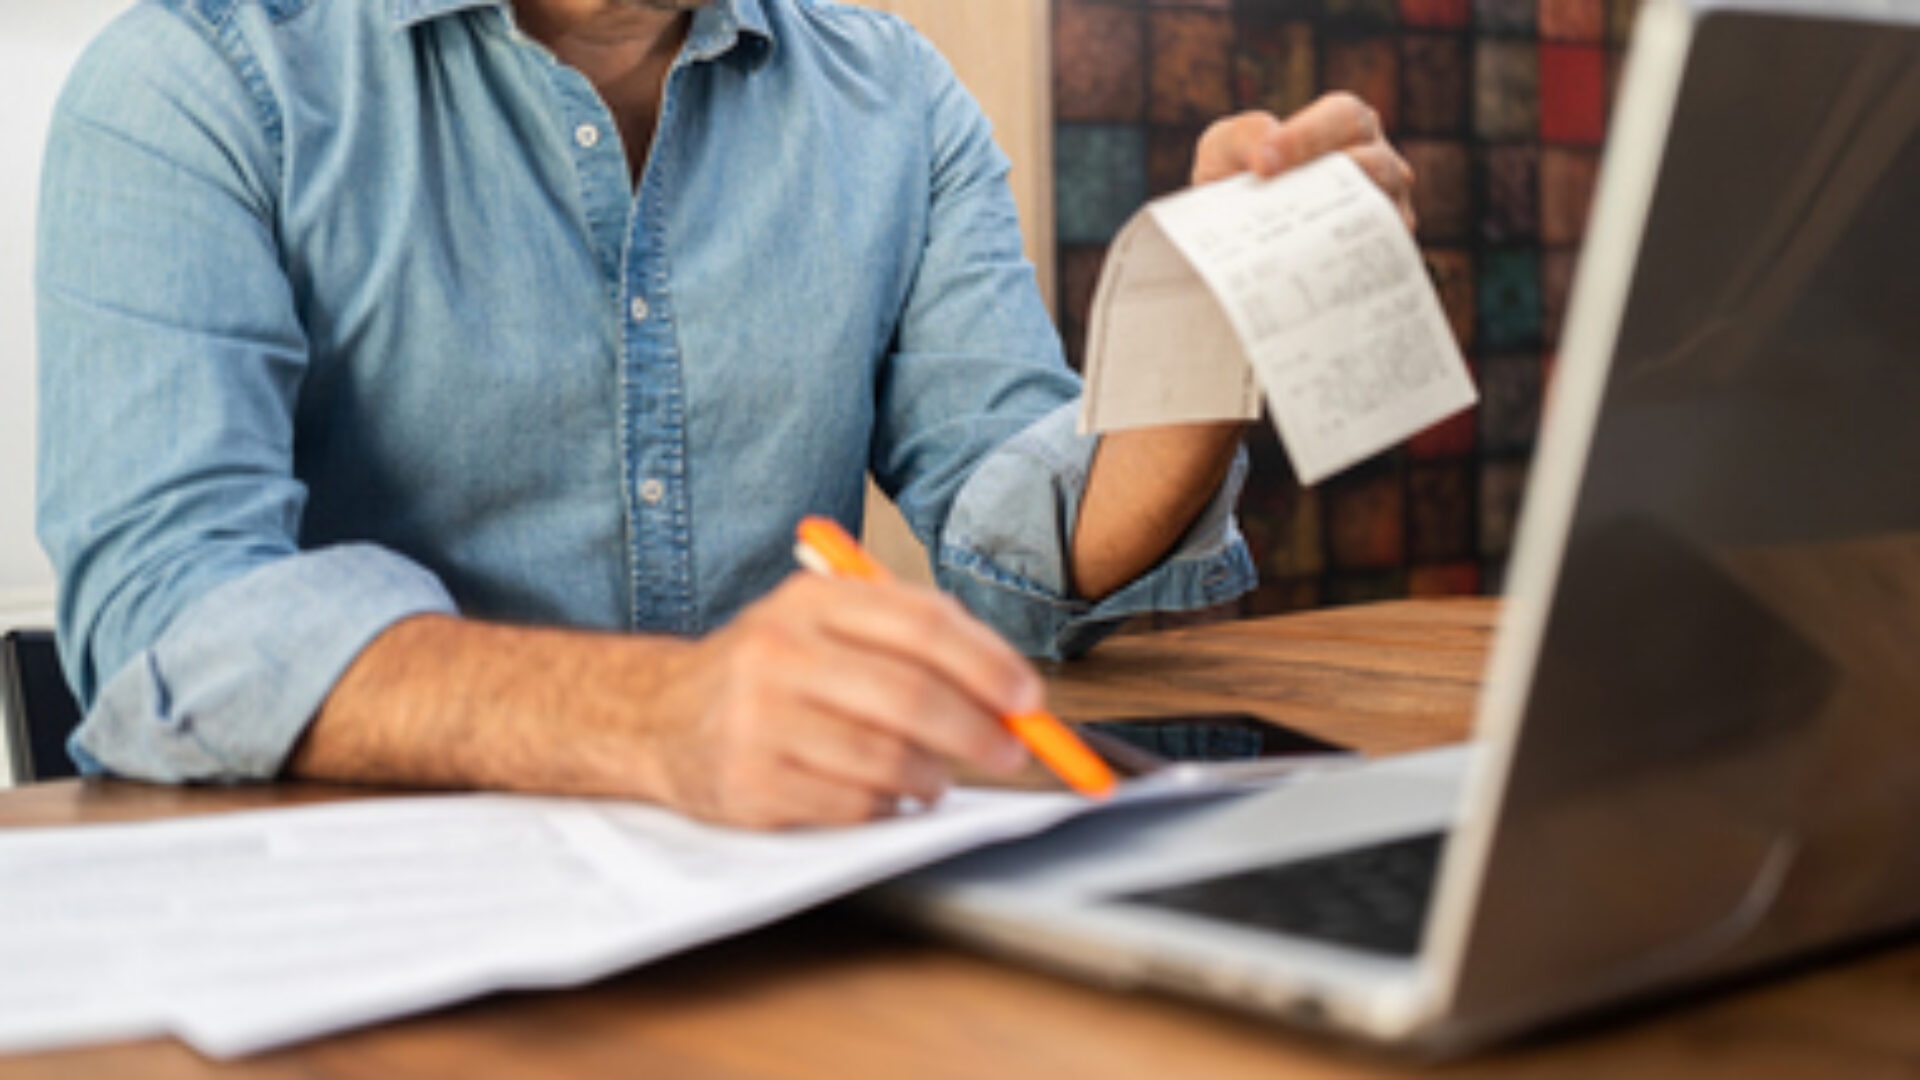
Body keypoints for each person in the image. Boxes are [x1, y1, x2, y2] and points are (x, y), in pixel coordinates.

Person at [36, 0, 1414, 827]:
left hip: (792, 903)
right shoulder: (194, 82)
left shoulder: (895, 95)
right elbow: (167, 620)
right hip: (372, 953)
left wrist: (1203, 345)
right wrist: (660, 716)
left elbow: (1014, 546)